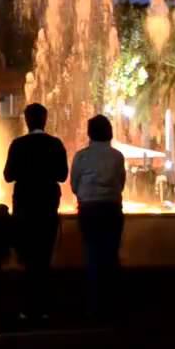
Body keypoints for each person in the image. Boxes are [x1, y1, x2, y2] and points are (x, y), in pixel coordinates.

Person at [2, 103, 68, 322]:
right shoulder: (55, 144)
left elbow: (8, 176)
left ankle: (27, 308)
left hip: (24, 209)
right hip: (47, 208)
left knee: (28, 259)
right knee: (44, 258)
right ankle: (44, 308)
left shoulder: (18, 145)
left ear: (27, 121)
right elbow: (62, 176)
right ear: (45, 120)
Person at [69, 115, 125, 318]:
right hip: (111, 209)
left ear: (89, 132)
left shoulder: (81, 156)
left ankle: (94, 304)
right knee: (111, 254)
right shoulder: (117, 156)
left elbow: (74, 184)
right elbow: (121, 183)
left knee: (92, 253)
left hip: (89, 209)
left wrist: (85, 195)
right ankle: (113, 303)